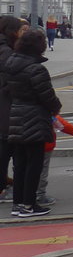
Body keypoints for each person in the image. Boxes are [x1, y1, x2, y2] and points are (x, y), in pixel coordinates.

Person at [3, 27, 61, 218]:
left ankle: (18, 203)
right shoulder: (36, 68)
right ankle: (29, 205)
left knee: (20, 164)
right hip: (34, 117)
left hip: (16, 114)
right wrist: (56, 108)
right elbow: (47, 96)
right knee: (34, 164)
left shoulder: (11, 63)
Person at [0, 15, 29, 204]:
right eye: (19, 30)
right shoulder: (6, 52)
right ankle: (3, 188)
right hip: (6, 108)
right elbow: (13, 80)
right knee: (6, 150)